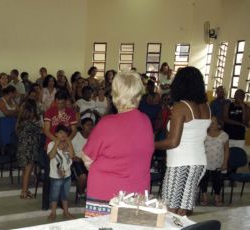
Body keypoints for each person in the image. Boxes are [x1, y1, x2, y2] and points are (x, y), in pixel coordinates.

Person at [82, 71, 154, 217]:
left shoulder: (107, 123)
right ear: (138, 95)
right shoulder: (146, 121)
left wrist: (104, 171)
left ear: (115, 94)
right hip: (136, 195)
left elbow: (87, 157)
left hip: (105, 195)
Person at [156, 66, 210, 216]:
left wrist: (148, 144)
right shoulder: (205, 106)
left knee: (169, 210)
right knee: (182, 211)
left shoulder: (181, 107)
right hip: (199, 162)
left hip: (181, 163)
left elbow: (173, 142)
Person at [200, 117, 229, 206]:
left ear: (219, 125)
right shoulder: (203, 134)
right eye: (209, 123)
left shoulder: (224, 135)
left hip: (218, 162)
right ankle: (204, 196)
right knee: (203, 179)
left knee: (218, 180)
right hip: (205, 161)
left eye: (213, 123)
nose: (210, 125)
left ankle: (217, 196)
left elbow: (227, 150)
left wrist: (225, 163)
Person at [47, 125, 74, 221]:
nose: (63, 135)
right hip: (55, 175)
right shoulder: (51, 144)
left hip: (67, 174)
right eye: (61, 133)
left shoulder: (68, 143)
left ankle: (66, 212)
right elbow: (51, 156)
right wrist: (56, 144)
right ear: (56, 134)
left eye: (65, 133)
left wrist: (69, 142)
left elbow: (72, 155)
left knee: (65, 195)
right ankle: (53, 212)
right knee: (54, 195)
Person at [16, 99, 42, 199]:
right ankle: (24, 192)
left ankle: (25, 190)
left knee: (25, 171)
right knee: (27, 171)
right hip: (29, 150)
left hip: (22, 148)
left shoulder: (21, 122)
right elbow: (41, 131)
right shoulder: (30, 124)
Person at [72, 118, 93, 198]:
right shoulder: (76, 135)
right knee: (83, 177)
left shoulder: (93, 136)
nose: (90, 127)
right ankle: (81, 193)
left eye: (91, 125)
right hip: (77, 160)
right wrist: (73, 157)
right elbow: (69, 148)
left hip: (90, 161)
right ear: (82, 126)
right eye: (88, 125)